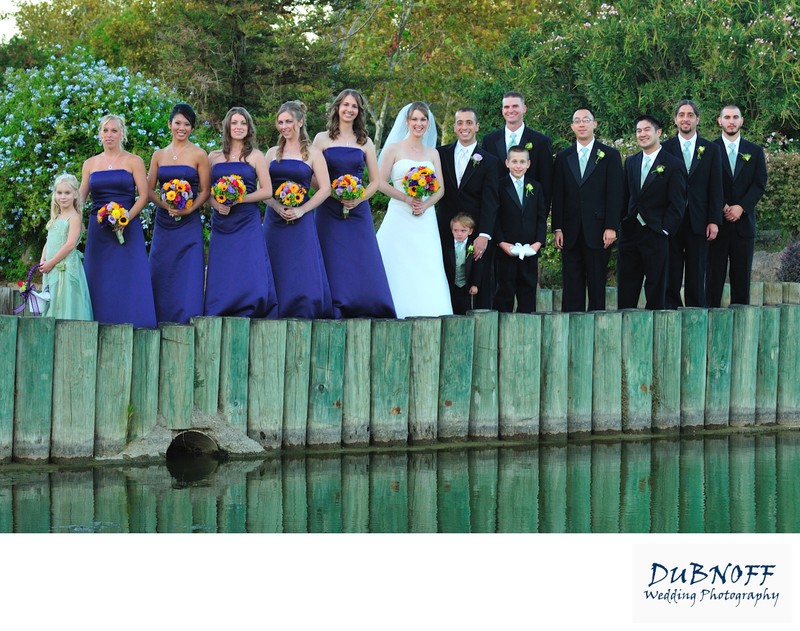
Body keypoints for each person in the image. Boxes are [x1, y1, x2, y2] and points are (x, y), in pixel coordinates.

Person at [312, 89, 395, 318]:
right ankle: (331, 305)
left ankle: (365, 303)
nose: (349, 110)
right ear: (338, 107)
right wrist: (331, 191)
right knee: (330, 254)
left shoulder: (365, 141)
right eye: (345, 105)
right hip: (329, 208)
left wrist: (357, 198)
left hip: (357, 209)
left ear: (359, 112)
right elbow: (312, 176)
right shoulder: (321, 139)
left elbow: (376, 180)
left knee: (361, 255)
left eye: (354, 106)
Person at [376, 102, 452, 318]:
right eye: (415, 119)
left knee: (425, 263)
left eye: (423, 119)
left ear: (428, 123)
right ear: (407, 122)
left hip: (424, 217)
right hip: (400, 213)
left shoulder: (432, 153)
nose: (419, 124)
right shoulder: (393, 149)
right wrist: (407, 199)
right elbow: (381, 183)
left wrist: (425, 205)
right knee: (396, 261)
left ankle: (428, 310)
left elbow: (441, 189)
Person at [80, 113, 157, 328]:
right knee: (100, 278)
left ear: (122, 133)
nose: (109, 134)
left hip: (128, 228)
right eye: (105, 130)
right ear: (99, 134)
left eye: (114, 130)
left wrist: (126, 218)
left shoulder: (134, 161)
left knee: (128, 277)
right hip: (99, 231)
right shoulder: (90, 164)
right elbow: (80, 197)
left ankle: (135, 321)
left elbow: (144, 195)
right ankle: (97, 323)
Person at [205, 107, 278, 318]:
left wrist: (239, 198)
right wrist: (215, 204)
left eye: (243, 123)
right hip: (222, 219)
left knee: (249, 263)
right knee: (224, 264)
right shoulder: (214, 157)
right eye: (235, 123)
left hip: (247, 219)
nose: (239, 127)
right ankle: (221, 306)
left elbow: (267, 190)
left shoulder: (255, 156)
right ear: (227, 126)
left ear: (249, 128)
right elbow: (206, 191)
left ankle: (251, 305)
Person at [263, 100, 332, 319]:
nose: (284, 126)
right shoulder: (272, 153)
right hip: (275, 220)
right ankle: (273, 308)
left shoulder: (313, 154)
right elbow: (261, 189)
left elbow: (325, 189)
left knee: (301, 265)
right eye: (280, 122)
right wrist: (275, 205)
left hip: (301, 220)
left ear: (300, 122)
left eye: (289, 121)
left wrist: (302, 210)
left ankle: (303, 309)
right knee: (275, 263)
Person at [552, 108, 623, 311]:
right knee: (571, 283)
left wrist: (611, 226)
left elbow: (615, 194)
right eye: (577, 121)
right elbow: (558, 195)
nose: (581, 124)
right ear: (572, 126)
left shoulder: (609, 155)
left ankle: (597, 328)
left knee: (597, 283)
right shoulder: (564, 157)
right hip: (570, 230)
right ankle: (572, 328)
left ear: (595, 124)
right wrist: (557, 227)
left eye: (586, 120)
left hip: (599, 229)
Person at [147, 102, 210, 323]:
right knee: (161, 265)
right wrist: (165, 206)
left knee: (188, 268)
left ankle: (188, 316)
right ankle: (159, 316)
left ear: (192, 128)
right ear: (170, 124)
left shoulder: (199, 154)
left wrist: (190, 208)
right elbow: (149, 189)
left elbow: (205, 190)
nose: (181, 128)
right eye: (177, 123)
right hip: (164, 222)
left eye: (187, 124)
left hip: (189, 221)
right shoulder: (158, 155)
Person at [618, 115, 687, 310]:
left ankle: (656, 330)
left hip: (656, 232)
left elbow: (678, 203)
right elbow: (625, 196)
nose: (642, 134)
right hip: (631, 232)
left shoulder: (673, 164)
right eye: (639, 131)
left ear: (658, 132)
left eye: (646, 130)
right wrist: (622, 222)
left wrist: (665, 230)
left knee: (657, 286)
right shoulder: (631, 162)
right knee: (627, 285)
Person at [661, 99, 723, 308]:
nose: (685, 119)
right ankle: (670, 309)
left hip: (700, 219)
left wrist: (714, 220)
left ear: (698, 119)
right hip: (672, 220)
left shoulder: (711, 149)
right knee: (671, 268)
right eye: (681, 115)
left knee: (697, 269)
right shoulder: (664, 148)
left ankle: (696, 311)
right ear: (675, 119)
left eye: (689, 115)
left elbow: (716, 187)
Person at [436, 107, 498, 308]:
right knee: (446, 281)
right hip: (445, 229)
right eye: (460, 122)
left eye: (469, 122)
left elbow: (491, 201)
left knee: (476, 286)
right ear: (454, 127)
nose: (465, 127)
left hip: (474, 231)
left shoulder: (489, 161)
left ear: (477, 126)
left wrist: (484, 234)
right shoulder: (440, 154)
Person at [707, 104, 768, 307]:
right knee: (713, 278)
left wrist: (741, 207)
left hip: (744, 225)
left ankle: (741, 326)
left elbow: (759, 184)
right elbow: (705, 183)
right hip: (717, 224)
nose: (731, 121)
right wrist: (722, 206)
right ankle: (711, 323)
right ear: (719, 121)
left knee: (741, 280)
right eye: (727, 117)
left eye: (735, 117)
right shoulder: (709, 149)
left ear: (742, 121)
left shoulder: (755, 151)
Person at [494, 146, 548, 313]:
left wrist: (538, 243)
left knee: (528, 291)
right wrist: (502, 243)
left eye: (522, 162)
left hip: (530, 250)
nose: (518, 165)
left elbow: (541, 217)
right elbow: (494, 217)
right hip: (506, 250)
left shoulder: (536, 187)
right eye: (515, 161)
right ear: (507, 163)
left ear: (528, 164)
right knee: (504, 292)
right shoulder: (498, 186)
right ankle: (502, 331)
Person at [482, 91, 554, 208]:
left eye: (515, 106)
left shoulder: (541, 142)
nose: (510, 110)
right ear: (502, 110)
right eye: (506, 107)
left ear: (524, 108)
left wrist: (540, 217)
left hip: (528, 213)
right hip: (496, 212)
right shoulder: (489, 141)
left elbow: (546, 183)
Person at [38, 173, 93, 320]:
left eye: (67, 193)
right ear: (55, 194)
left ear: (75, 194)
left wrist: (51, 262)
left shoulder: (74, 217)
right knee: (53, 300)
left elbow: (69, 245)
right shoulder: (56, 217)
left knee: (66, 300)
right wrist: (43, 259)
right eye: (59, 192)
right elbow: (48, 241)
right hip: (52, 266)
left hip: (66, 267)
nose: (63, 197)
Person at [444, 213, 482, 314]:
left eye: (463, 231)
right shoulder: (446, 246)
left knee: (465, 309)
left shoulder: (473, 245)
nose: (459, 234)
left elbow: (477, 266)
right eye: (455, 230)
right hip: (450, 285)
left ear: (470, 231)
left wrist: (475, 284)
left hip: (466, 286)